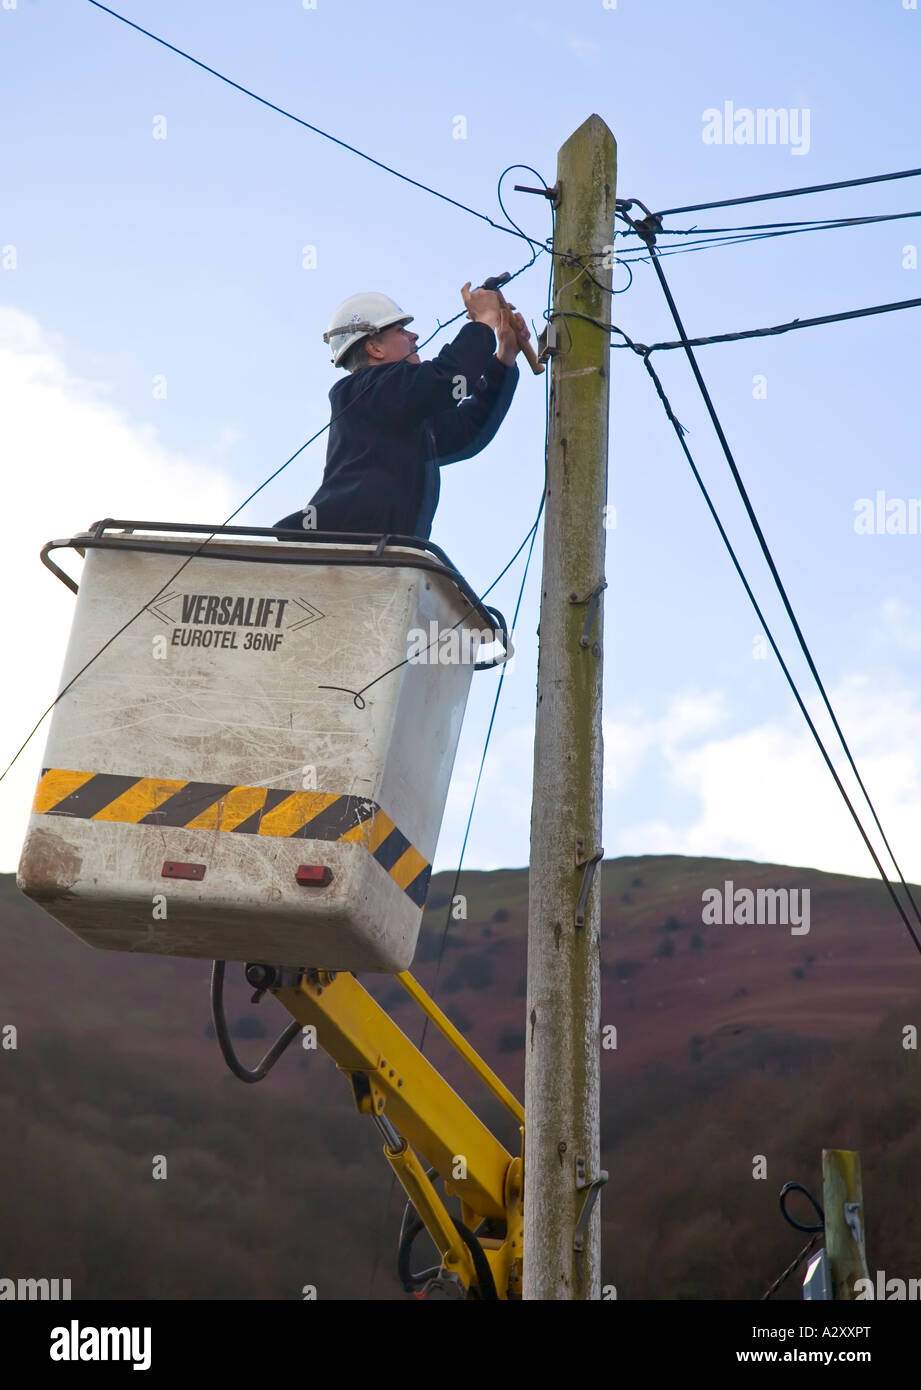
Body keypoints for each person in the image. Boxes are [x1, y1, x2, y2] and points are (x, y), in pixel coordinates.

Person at [274, 284, 529, 540]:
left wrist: (504, 356)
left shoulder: (399, 409)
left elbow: (467, 430)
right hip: (347, 554)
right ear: (375, 348)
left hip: (375, 559)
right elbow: (448, 378)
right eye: (401, 330)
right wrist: (483, 322)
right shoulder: (363, 390)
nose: (414, 336)